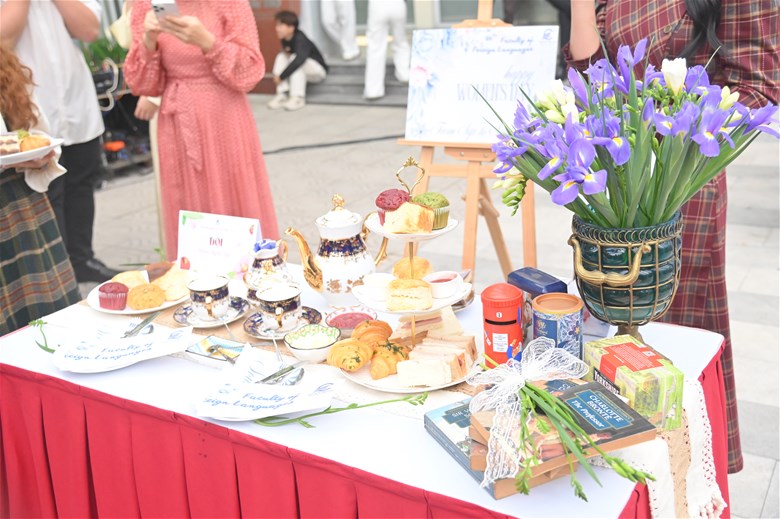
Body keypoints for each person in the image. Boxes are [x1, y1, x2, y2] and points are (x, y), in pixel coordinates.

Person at [566, 0, 780, 474]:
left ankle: (685, 483)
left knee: (675, 350)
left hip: (683, 183)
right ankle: (623, 483)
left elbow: (758, 88)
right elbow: (589, 80)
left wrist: (675, 122)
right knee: (610, 339)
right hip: (614, 183)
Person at [124, 0, 280, 261]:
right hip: (176, 124)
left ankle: (253, 274)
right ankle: (198, 282)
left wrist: (208, 42)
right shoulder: (145, 5)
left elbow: (250, 71)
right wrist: (148, 40)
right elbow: (142, 84)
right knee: (187, 203)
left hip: (225, 117)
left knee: (235, 200)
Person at [0, 0, 121, 283]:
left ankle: (82, 260)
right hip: (29, 101)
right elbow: (4, 38)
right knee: (46, 189)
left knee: (82, 180)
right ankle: (57, 272)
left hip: (74, 97)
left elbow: (89, 30)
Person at [0, 44, 81, 335]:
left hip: (19, 203)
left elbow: (36, 131)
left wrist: (41, 154)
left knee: (47, 319)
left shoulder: (4, 66)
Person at [268, 10, 328, 112]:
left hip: (318, 71)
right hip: (303, 70)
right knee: (281, 56)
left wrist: (281, 77)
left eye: (280, 26)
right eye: (277, 25)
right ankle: (283, 94)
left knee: (296, 61)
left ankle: (298, 98)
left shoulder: (300, 38)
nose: (277, 29)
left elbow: (299, 59)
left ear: (291, 28)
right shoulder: (284, 39)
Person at [363, 0, 410, 101]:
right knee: (400, 42)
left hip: (378, 5)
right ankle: (404, 74)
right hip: (398, 4)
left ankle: (373, 90)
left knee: (375, 48)